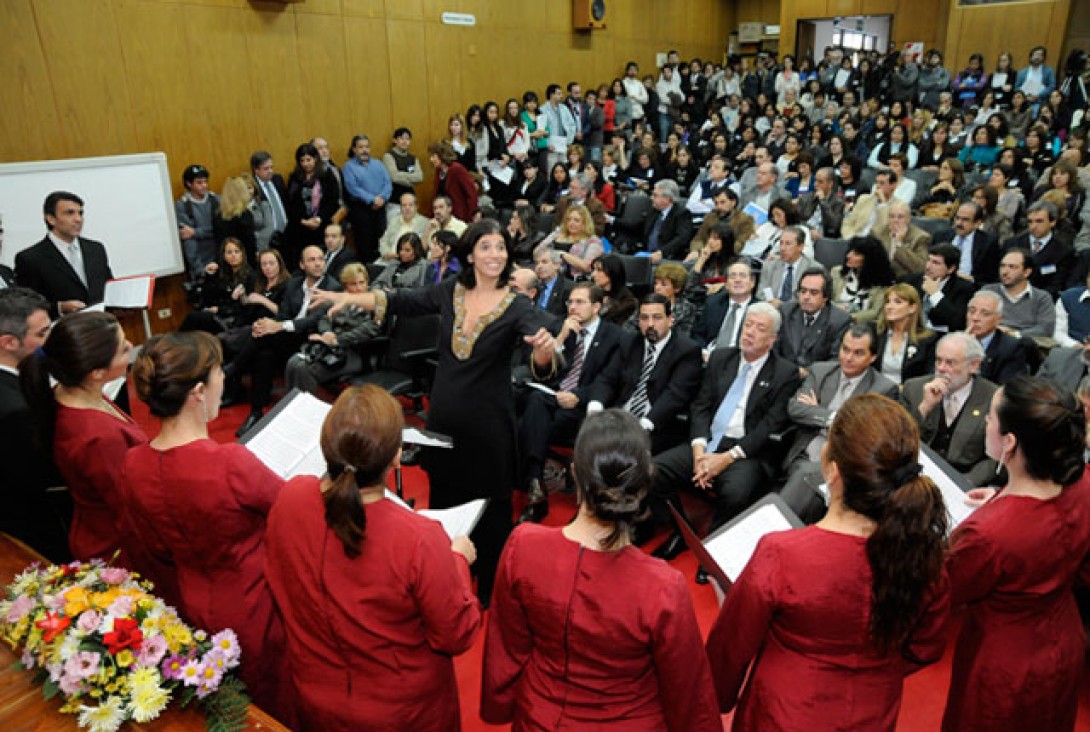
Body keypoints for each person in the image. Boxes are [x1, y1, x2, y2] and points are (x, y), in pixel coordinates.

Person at [312, 219, 555, 604]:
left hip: (489, 428)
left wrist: (543, 350)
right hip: (443, 420)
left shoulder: (518, 305)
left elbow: (543, 359)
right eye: (487, 247)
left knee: (492, 513)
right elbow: (400, 301)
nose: (495, 255)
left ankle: (492, 592)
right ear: (471, 253)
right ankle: (449, 578)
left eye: (501, 248)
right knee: (445, 503)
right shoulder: (450, 290)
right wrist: (347, 299)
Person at [706, 393, 950, 728]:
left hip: (787, 710)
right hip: (873, 709)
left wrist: (717, 693)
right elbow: (925, 647)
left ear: (833, 472)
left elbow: (730, 649)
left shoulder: (783, 553)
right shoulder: (926, 555)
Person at [482, 409, 722, 732]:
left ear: (574, 475)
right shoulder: (661, 586)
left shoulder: (522, 546)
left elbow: (506, 648)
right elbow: (688, 693)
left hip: (537, 716)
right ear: (643, 484)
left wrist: (502, 704)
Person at [265, 385, 481, 730]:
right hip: (401, 714)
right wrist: (456, 560)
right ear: (396, 457)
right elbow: (455, 633)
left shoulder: (291, 498)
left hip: (315, 694)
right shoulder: (418, 539)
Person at [120, 331, 294, 723]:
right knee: (272, 704)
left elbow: (151, 544)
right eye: (219, 373)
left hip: (189, 602)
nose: (225, 381)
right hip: (255, 604)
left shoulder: (133, 464)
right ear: (197, 391)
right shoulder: (228, 463)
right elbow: (293, 510)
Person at [943, 376, 1090, 731]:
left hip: (1004, 663)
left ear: (1009, 442)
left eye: (991, 417)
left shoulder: (987, 534)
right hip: (1064, 640)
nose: (985, 424)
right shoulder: (1083, 481)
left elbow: (943, 589)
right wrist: (999, 497)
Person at [651, 303, 801, 558]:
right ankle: (682, 531)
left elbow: (768, 427)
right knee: (653, 472)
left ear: (773, 339)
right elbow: (700, 406)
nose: (750, 332)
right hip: (707, 442)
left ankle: (713, 550)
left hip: (746, 451)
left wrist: (726, 458)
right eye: (747, 325)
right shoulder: (721, 357)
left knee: (736, 492)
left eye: (759, 328)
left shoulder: (785, 373)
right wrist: (700, 451)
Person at [20, 311, 145, 562]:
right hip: (119, 549)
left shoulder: (73, 391)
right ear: (97, 372)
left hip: (99, 527)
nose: (131, 346)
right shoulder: (98, 437)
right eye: (122, 349)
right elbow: (128, 512)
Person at [517, 282, 623, 523]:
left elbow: (612, 379)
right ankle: (536, 482)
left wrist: (579, 396)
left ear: (596, 307)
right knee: (533, 399)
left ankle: (534, 485)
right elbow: (542, 373)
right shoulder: (558, 327)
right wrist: (562, 336)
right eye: (570, 302)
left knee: (529, 422)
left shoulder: (615, 336)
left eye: (579, 302)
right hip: (551, 397)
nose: (572, 308)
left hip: (584, 405)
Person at [779, 325, 900, 522]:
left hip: (842, 464)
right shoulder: (820, 371)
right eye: (845, 349)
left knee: (807, 481)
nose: (848, 358)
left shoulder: (883, 390)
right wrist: (836, 419)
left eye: (858, 353)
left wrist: (818, 413)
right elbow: (795, 409)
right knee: (809, 487)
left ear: (873, 357)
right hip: (803, 454)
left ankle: (772, 528)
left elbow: (864, 433)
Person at [0, 287, 67, 561]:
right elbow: (42, 481)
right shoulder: (14, 410)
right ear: (9, 342)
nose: (50, 341)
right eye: (42, 334)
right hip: (30, 529)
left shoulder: (19, 380)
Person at [900, 332, 999, 486]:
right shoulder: (914, 388)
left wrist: (967, 482)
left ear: (973, 365)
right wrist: (925, 407)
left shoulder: (993, 398)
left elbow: (996, 457)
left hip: (966, 481)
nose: (941, 368)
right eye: (938, 360)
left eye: (950, 363)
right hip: (915, 479)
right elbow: (899, 440)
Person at [284, 262, 381, 394]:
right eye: (353, 284)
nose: (359, 288)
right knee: (294, 362)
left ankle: (308, 410)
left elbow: (369, 329)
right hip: (330, 349)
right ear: (345, 286)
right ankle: (292, 406)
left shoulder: (375, 303)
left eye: (362, 282)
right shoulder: (341, 299)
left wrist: (335, 340)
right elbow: (325, 317)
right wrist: (327, 332)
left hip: (355, 352)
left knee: (305, 369)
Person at [16, 191, 114, 316]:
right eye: (70, 213)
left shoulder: (96, 249)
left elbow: (109, 287)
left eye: (80, 213)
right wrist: (59, 307)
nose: (78, 219)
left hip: (103, 324)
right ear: (51, 219)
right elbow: (28, 306)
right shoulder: (30, 258)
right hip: (63, 330)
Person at [775, 267, 851, 374]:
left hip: (816, 378)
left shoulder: (840, 320)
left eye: (813, 293)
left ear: (825, 298)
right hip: (783, 373)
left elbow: (836, 360)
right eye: (803, 291)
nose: (806, 297)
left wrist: (808, 373)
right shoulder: (785, 312)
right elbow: (774, 348)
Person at [283, 142, 342, 268]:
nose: (306, 164)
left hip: (322, 225)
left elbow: (332, 201)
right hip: (300, 228)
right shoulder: (295, 178)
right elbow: (290, 204)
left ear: (316, 158)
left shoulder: (326, 176)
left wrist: (319, 218)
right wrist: (303, 221)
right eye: (302, 160)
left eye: (308, 160)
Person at [982, 247, 1057, 339]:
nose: (1005, 272)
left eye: (1012, 267)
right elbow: (976, 319)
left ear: (1026, 272)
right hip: (991, 341)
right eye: (1002, 266)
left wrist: (1015, 334)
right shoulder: (988, 292)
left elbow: (1045, 329)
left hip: (1027, 345)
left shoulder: (1042, 297)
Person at [343, 134, 393, 264]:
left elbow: (387, 183)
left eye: (367, 147)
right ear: (354, 149)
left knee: (381, 240)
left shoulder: (378, 164)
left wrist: (382, 198)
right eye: (361, 147)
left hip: (380, 208)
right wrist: (372, 200)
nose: (364, 150)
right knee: (364, 245)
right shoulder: (349, 167)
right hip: (361, 210)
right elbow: (353, 188)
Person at [874, 284, 938, 385]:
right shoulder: (875, 333)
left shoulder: (927, 339)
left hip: (908, 395)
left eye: (897, 302)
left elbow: (928, 377)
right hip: (875, 393)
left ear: (912, 308)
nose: (890, 306)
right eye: (887, 302)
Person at [965, 290, 1029, 385]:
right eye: (972, 311)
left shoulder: (1011, 348)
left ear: (999, 320)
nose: (975, 318)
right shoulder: (954, 342)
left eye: (985, 314)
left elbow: (1007, 391)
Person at [830, 235, 896, 324]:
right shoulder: (836, 272)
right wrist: (837, 310)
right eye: (850, 251)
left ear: (869, 259)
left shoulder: (884, 284)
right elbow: (825, 300)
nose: (849, 255)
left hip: (864, 327)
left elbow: (875, 312)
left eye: (856, 254)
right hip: (834, 322)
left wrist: (850, 317)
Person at [175, 164, 219, 276]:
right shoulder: (182, 206)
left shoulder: (217, 200)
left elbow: (220, 230)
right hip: (199, 265)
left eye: (205, 182)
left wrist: (195, 232)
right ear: (189, 184)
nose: (204, 185)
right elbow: (188, 239)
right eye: (199, 182)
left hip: (221, 258)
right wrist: (200, 269)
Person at [428, 140, 478, 225]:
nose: (431, 159)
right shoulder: (439, 170)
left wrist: (469, 216)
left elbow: (471, 193)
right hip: (443, 217)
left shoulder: (457, 169)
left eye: (433, 156)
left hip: (459, 217)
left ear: (441, 155)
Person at [379, 192, 430, 263]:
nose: (407, 208)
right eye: (404, 205)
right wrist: (387, 253)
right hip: (389, 259)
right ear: (400, 208)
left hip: (410, 263)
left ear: (416, 207)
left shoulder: (425, 223)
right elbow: (384, 241)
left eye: (410, 205)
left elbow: (423, 249)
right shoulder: (394, 220)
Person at [589, 254, 638, 325]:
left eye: (599, 270)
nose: (593, 274)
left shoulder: (627, 302)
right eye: (594, 269)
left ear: (612, 271)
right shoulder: (592, 293)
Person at [382, 127, 424, 210]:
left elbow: (419, 177)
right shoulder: (388, 156)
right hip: (394, 201)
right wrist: (410, 181)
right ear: (394, 140)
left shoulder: (413, 158)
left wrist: (401, 174)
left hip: (411, 200)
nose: (405, 141)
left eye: (407, 139)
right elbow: (394, 177)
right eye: (401, 138)